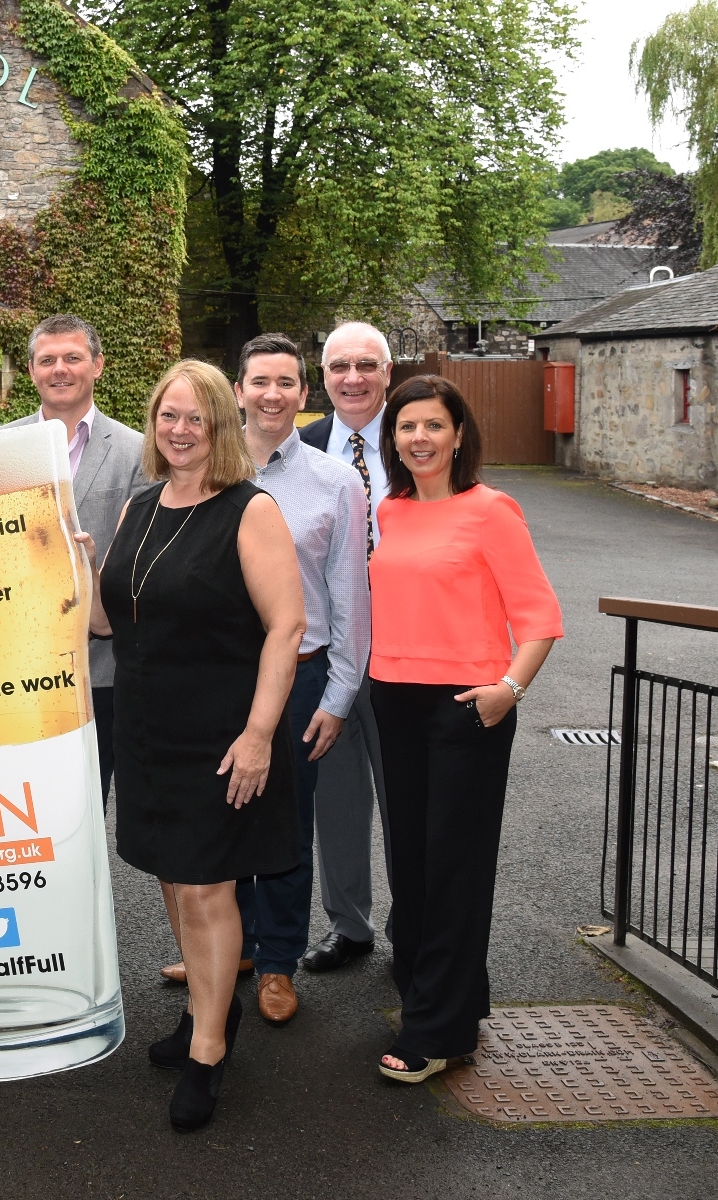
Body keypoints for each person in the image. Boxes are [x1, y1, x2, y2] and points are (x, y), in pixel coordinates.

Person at [80, 359, 306, 1132]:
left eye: (194, 418)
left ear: (221, 423)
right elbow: (111, 621)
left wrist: (259, 734)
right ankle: (208, 1016)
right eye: (167, 416)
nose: (179, 430)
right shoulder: (138, 509)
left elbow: (287, 627)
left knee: (208, 889)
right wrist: (71, 560)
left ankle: (208, 1047)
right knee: (174, 882)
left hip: (219, 733)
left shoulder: (251, 511)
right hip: (148, 731)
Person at [367, 375, 561, 1082]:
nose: (418, 438)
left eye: (432, 426)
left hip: (465, 707)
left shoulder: (491, 511)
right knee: (413, 865)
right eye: (406, 426)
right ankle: (451, 999)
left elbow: (539, 618)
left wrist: (507, 691)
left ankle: (437, 1032)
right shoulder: (390, 511)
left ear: (457, 436)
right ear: (393, 438)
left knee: (453, 868)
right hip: (393, 698)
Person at [227, 334, 371, 1025]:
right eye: (260, 381)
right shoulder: (207, 472)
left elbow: (349, 599)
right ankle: (232, 947)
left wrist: (340, 697)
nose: (273, 394)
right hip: (220, 676)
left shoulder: (334, 481)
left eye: (286, 382)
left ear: (302, 394)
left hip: (302, 680)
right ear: (238, 391)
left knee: (284, 826)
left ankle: (278, 962)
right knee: (221, 819)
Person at [3, 314, 142, 804]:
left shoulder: (137, 452)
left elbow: (139, 570)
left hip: (102, 672)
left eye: (73, 358)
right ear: (31, 370)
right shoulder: (0, 449)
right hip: (20, 670)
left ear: (98, 365)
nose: (59, 369)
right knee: (27, 812)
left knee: (87, 816)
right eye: (47, 360)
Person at [296, 321, 393, 972]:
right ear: (323, 376)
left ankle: (411, 929)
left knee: (405, 800)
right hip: (327, 656)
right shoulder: (299, 449)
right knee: (336, 801)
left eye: (366, 365)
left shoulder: (422, 443)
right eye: (339, 367)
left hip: (401, 655)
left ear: (389, 372)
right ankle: (349, 927)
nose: (352, 378)